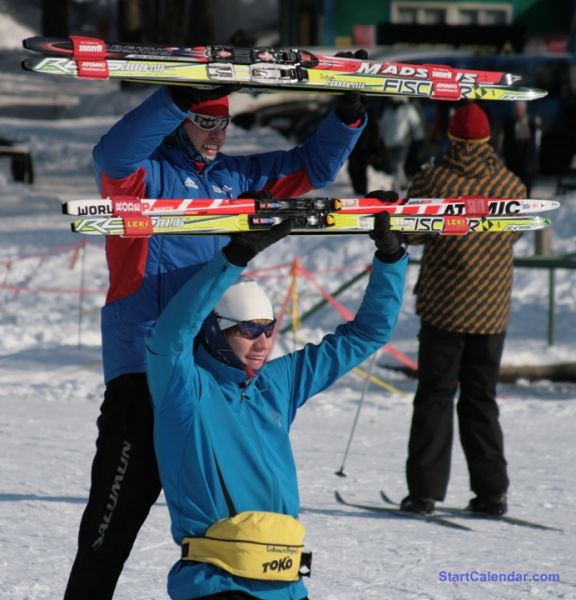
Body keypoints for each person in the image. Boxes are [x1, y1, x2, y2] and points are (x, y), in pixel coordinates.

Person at [64, 73, 369, 598]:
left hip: (209, 387)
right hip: (144, 374)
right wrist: (172, 98)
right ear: (182, 121)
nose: (217, 133)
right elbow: (111, 158)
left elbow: (311, 167)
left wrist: (347, 118)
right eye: (205, 120)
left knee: (229, 532)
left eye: (223, 122)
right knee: (108, 534)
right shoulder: (145, 174)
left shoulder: (235, 178)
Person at [145, 209, 408, 599]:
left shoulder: (277, 384)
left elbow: (366, 335)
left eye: (269, 330)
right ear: (215, 331)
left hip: (287, 586)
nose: (263, 343)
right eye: (249, 331)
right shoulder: (185, 390)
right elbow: (170, 336)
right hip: (218, 585)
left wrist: (390, 258)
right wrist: (235, 257)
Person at [400, 102, 527, 517]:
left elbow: (411, 234)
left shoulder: (434, 180)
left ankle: (424, 493)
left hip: (444, 309)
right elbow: (512, 238)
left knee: (435, 396)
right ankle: (493, 493)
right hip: (491, 312)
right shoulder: (511, 186)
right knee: (481, 399)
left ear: (451, 137)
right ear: (489, 138)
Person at [378, 97, 425, 193]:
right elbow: (383, 124)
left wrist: (419, 137)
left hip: (403, 142)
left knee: (399, 164)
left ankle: (399, 186)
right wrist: (381, 136)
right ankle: (401, 184)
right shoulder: (388, 110)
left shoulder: (408, 109)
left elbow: (415, 123)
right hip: (389, 142)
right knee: (394, 164)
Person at [501, 100, 542, 196]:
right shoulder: (509, 123)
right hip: (514, 161)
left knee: (527, 187)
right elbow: (506, 142)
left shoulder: (532, 123)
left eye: (519, 109)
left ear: (524, 109)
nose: (518, 112)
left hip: (527, 160)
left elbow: (535, 143)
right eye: (516, 110)